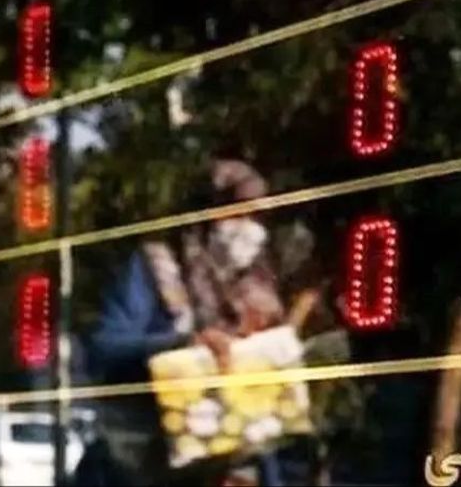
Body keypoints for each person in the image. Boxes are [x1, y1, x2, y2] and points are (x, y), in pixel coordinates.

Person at [84, 159, 317, 486]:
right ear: (205, 211)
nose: (250, 227)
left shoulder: (260, 286)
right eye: (238, 212)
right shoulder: (156, 268)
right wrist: (184, 345)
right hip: (149, 468)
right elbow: (104, 349)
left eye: (257, 217)